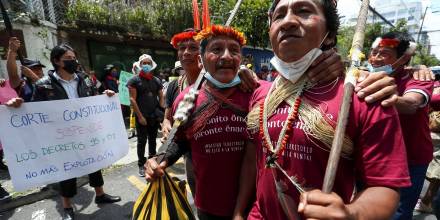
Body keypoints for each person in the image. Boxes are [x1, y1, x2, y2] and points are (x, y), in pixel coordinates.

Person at [244, 0, 411, 219]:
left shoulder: (365, 96)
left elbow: (385, 187)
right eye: (279, 16)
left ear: (330, 35)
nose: (288, 22)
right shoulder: (258, 92)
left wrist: (350, 214)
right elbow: (252, 162)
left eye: (304, 11)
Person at [28, 44, 121, 220]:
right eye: (68, 59)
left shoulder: (84, 79)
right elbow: (33, 111)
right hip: (62, 137)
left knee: (94, 164)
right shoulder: (43, 85)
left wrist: (105, 96)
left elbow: (93, 99)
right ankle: (68, 207)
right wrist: (17, 106)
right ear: (56, 61)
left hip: (86, 132)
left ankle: (100, 194)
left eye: (74, 58)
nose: (73, 62)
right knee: (67, 171)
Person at [365, 32, 434, 220]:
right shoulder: (365, 77)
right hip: (375, 155)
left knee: (399, 213)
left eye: (384, 53)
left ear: (405, 58)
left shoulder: (419, 77)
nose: (375, 58)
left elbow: (411, 104)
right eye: (373, 52)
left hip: (411, 159)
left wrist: (379, 95)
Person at [127, 54, 165, 177]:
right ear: (140, 65)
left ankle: (152, 162)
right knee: (141, 141)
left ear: (152, 65)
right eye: (144, 63)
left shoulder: (156, 80)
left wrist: (162, 113)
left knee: (153, 140)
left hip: (154, 116)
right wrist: (140, 117)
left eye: (149, 63)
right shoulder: (134, 80)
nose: (146, 65)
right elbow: (132, 100)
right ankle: (141, 164)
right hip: (142, 117)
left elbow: (161, 97)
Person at [7, 37, 46, 102]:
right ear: (25, 70)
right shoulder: (22, 84)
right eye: (34, 69)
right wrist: (12, 51)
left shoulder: (50, 82)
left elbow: (47, 90)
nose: (38, 71)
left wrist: (33, 76)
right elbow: (12, 74)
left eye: (40, 68)